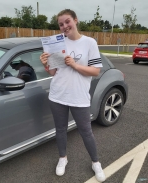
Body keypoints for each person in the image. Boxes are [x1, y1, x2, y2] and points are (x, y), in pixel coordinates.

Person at [40, 9, 106, 182]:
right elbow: (54, 72)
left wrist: (75, 65)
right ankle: (63, 158)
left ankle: (95, 162)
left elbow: (96, 71)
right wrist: (46, 64)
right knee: (60, 130)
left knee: (86, 132)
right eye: (61, 24)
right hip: (57, 95)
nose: (64, 26)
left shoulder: (89, 43)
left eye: (67, 21)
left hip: (79, 96)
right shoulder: (57, 42)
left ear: (76, 20)